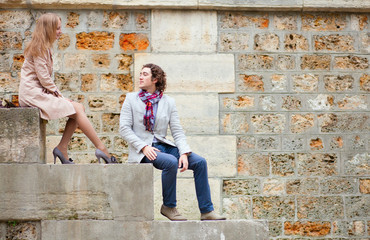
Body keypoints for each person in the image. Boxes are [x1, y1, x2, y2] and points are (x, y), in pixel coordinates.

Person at [119, 63, 226, 221]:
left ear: (155, 79)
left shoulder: (168, 102)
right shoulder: (131, 99)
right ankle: (169, 206)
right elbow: (124, 129)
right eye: (140, 74)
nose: (140, 77)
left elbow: (177, 131)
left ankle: (206, 210)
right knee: (169, 162)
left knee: (200, 162)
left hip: (164, 146)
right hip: (142, 150)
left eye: (145, 74)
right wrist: (143, 147)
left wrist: (183, 152)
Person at [19, 13, 117, 164]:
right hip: (32, 94)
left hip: (37, 92)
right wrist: (60, 97)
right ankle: (101, 148)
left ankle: (62, 148)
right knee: (77, 108)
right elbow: (44, 79)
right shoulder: (39, 47)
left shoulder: (44, 47)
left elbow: (44, 79)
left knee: (78, 108)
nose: (60, 31)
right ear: (48, 29)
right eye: (57, 28)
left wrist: (59, 96)